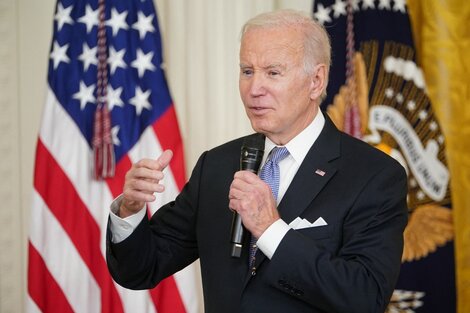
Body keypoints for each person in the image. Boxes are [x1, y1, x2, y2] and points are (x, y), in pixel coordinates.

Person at [106, 9, 408, 313]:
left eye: (273, 73)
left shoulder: (373, 175)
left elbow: (365, 297)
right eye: (247, 71)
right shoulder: (217, 165)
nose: (254, 89)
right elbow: (141, 269)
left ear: (316, 81)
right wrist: (129, 210)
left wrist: (271, 229)